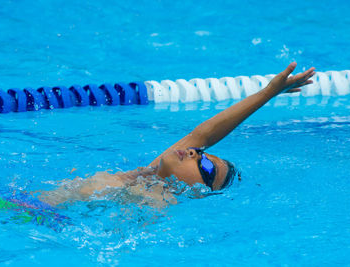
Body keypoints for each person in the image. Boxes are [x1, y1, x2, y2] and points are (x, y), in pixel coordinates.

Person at [39, 62, 315, 206]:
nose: (196, 152)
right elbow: (205, 135)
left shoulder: (155, 200)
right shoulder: (146, 176)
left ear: (197, 192)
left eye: (206, 166)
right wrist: (268, 93)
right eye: (202, 154)